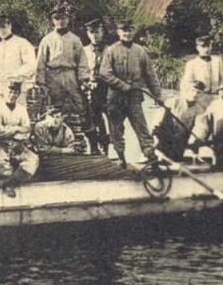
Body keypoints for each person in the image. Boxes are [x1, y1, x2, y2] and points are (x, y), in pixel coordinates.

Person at [99, 20, 162, 171]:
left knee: (142, 128)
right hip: (115, 98)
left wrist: (157, 95)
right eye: (123, 31)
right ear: (118, 32)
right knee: (116, 130)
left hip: (134, 97)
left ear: (134, 32)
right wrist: (123, 86)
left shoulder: (140, 51)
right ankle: (121, 160)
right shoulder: (111, 50)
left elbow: (150, 75)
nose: (127, 34)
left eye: (130, 30)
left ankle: (152, 160)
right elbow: (104, 73)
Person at [35, 3, 91, 129]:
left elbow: (82, 61)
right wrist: (41, 83)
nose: (60, 21)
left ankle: (78, 139)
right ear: (52, 20)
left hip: (70, 75)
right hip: (53, 76)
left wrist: (83, 79)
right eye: (57, 18)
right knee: (54, 107)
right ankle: (57, 137)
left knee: (78, 106)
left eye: (63, 18)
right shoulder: (47, 40)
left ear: (68, 19)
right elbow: (41, 62)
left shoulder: (75, 39)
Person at [0, 80, 40, 197]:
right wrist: (17, 129)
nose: (12, 95)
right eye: (10, 92)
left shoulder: (21, 109)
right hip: (0, 144)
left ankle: (9, 184)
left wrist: (12, 130)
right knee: (1, 161)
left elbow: (27, 129)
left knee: (33, 160)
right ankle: (5, 181)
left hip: (17, 144)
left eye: (15, 93)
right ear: (4, 92)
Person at [0, 12, 37, 108]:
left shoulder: (22, 43)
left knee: (17, 117)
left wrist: (14, 75)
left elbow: (30, 65)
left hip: (16, 89)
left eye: (3, 26)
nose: (1, 30)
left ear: (9, 25)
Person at [152, 80, 207, 162]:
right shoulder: (173, 102)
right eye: (192, 91)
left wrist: (195, 144)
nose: (195, 94)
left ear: (202, 95)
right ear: (187, 91)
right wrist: (155, 138)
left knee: (176, 162)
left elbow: (199, 129)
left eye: (198, 92)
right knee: (155, 158)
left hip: (180, 144)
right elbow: (157, 123)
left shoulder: (200, 110)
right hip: (163, 140)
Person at [82, 18, 111, 156]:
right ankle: (95, 147)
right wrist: (85, 83)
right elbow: (81, 70)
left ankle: (110, 148)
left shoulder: (110, 50)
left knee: (111, 119)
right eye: (91, 32)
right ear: (88, 34)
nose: (95, 35)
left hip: (107, 88)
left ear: (103, 32)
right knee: (93, 118)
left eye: (98, 32)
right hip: (90, 89)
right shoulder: (83, 51)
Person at [179, 35, 223, 109]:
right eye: (203, 47)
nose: (206, 49)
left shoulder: (217, 61)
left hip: (216, 97)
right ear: (197, 48)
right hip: (200, 99)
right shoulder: (191, 64)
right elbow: (186, 83)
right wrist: (195, 85)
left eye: (208, 46)